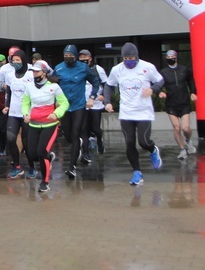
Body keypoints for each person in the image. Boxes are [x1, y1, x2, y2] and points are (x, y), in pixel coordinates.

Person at [104, 42, 164, 186]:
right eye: (126, 58)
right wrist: (107, 101)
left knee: (143, 141)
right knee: (130, 143)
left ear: (136, 57)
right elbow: (109, 85)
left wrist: (153, 89)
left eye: (131, 58)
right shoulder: (116, 70)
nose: (129, 61)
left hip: (143, 112)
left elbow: (160, 80)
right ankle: (137, 172)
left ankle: (152, 149)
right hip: (126, 112)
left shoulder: (147, 67)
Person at [52, 45, 100, 179]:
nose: (68, 58)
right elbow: (51, 83)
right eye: (65, 56)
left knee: (75, 133)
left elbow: (96, 82)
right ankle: (77, 144)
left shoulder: (83, 68)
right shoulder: (59, 68)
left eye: (70, 56)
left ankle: (72, 166)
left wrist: (92, 97)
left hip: (79, 106)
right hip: (64, 106)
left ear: (75, 56)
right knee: (67, 136)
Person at [22, 60, 69, 192]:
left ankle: (45, 182)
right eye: (33, 72)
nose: (34, 74)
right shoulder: (29, 87)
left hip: (50, 124)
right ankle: (48, 158)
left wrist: (56, 113)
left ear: (44, 72)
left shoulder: (54, 87)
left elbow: (64, 103)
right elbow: (25, 103)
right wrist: (26, 114)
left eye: (37, 71)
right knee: (31, 154)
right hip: (34, 124)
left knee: (41, 152)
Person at [2, 50, 35, 178]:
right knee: (11, 139)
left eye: (18, 60)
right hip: (13, 112)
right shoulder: (10, 75)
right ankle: (17, 166)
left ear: (23, 60)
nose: (15, 62)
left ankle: (32, 167)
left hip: (27, 113)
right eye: (13, 60)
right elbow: (9, 92)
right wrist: (7, 106)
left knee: (27, 142)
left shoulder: (31, 74)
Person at [159, 50, 198, 160]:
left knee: (185, 128)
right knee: (177, 127)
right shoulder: (163, 72)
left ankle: (188, 140)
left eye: (172, 56)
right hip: (171, 104)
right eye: (168, 56)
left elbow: (191, 81)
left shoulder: (184, 69)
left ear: (176, 58)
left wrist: (193, 93)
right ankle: (182, 149)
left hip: (184, 103)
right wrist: (160, 92)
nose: (170, 58)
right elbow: (158, 84)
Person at [78, 49, 108, 160]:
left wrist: (103, 96)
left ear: (90, 58)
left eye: (85, 57)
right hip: (82, 104)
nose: (83, 59)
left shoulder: (97, 69)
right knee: (83, 129)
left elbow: (106, 84)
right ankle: (85, 153)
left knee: (95, 128)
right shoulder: (77, 69)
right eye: (81, 57)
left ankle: (99, 139)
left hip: (96, 103)